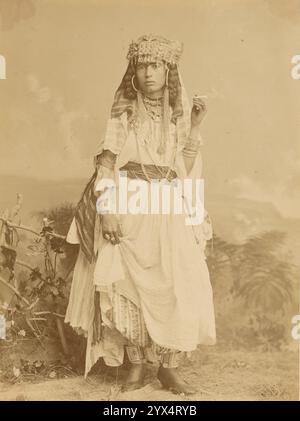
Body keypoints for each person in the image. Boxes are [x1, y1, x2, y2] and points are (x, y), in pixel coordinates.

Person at [64, 34, 216, 395]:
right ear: (134, 70)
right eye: (142, 65)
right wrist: (109, 212)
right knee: (126, 287)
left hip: (167, 205)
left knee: (177, 282)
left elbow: (184, 166)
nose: (148, 73)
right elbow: (107, 164)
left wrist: (195, 126)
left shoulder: (178, 113)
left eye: (156, 65)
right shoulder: (123, 111)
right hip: (130, 203)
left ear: (168, 70)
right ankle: (134, 365)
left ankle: (166, 368)